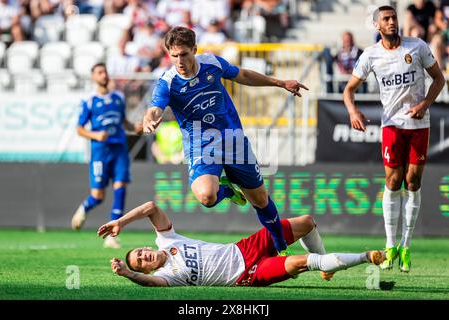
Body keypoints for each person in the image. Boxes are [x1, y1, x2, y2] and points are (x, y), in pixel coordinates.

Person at [142, 26, 308, 256]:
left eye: (184, 54)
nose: (179, 61)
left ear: (194, 50)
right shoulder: (167, 82)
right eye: (174, 55)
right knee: (206, 196)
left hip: (232, 139)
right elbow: (154, 108)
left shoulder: (212, 64)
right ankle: (228, 191)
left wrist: (280, 83)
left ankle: (279, 245)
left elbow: (244, 75)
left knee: (260, 199)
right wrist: (149, 119)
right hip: (201, 143)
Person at [343, 6, 445, 272]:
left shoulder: (417, 46)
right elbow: (349, 89)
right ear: (377, 25)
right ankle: (390, 245)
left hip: (419, 124)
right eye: (386, 19)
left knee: (413, 182)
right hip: (391, 126)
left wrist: (424, 104)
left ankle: (406, 246)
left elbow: (439, 79)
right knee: (393, 180)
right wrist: (353, 110)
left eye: (393, 18)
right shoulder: (371, 55)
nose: (391, 22)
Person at [97, 200, 385, 287]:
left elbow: (149, 206)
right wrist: (128, 274)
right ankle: (365, 256)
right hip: (245, 274)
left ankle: (327, 267)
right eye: (141, 263)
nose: (144, 257)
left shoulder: (167, 239)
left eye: (140, 253)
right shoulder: (165, 276)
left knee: (308, 221)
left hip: (244, 247)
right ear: (146, 271)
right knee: (301, 263)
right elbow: (147, 284)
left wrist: (120, 222)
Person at [71, 63, 144, 249]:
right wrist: (95, 135)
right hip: (100, 152)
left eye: (105, 72)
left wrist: (134, 128)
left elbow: (123, 122)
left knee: (120, 188)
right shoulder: (89, 100)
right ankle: (84, 208)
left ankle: (112, 236)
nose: (104, 75)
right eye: (99, 72)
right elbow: (79, 129)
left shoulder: (118, 97)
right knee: (98, 196)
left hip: (119, 148)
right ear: (93, 77)